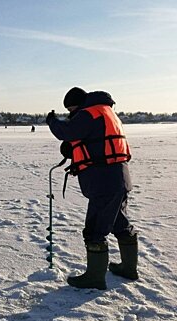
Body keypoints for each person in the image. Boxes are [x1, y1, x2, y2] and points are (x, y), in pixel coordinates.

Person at [46, 87, 138, 290]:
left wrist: (52, 121)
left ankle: (95, 278)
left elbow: (67, 131)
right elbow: (97, 142)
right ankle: (128, 269)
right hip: (119, 178)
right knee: (120, 223)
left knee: (95, 230)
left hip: (103, 181)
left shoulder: (89, 113)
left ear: (78, 104)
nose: (71, 114)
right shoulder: (106, 111)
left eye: (71, 109)